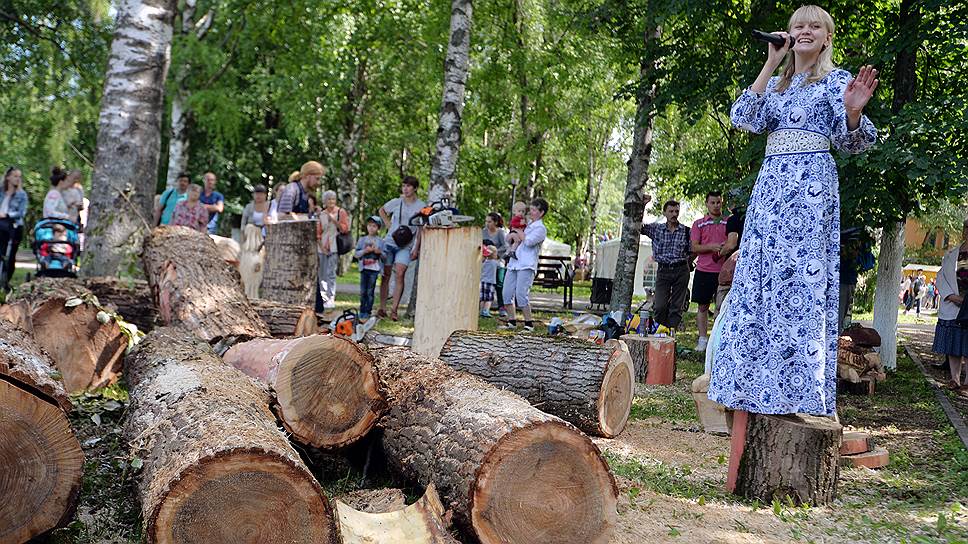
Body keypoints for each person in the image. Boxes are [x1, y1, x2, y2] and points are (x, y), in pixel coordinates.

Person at [709, 4, 878, 426]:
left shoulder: (837, 82)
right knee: (762, 281)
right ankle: (752, 386)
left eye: (813, 26)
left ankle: (796, 389)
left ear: (826, 38)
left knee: (798, 287)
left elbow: (856, 143)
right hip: (770, 192)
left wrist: (854, 112)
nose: (804, 31)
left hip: (810, 193)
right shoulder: (779, 86)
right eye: (797, 25)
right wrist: (771, 62)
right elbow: (744, 117)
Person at [640, 195, 691, 331]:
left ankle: (671, 332)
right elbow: (638, 226)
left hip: (681, 270)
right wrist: (643, 206)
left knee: (677, 305)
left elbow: (694, 249)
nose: (674, 214)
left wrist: (688, 262)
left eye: (676, 211)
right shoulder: (656, 229)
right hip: (663, 270)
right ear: (664, 213)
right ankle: (659, 330)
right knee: (660, 305)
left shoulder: (686, 231)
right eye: (671, 211)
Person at [378, 175, 425, 321]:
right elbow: (382, 210)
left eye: (409, 186)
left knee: (399, 273)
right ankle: (382, 307)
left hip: (406, 245)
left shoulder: (421, 206)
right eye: (404, 186)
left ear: (415, 188)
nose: (405, 189)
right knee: (385, 275)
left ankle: (394, 309)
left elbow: (420, 229)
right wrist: (388, 225)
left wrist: (416, 248)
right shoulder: (396, 202)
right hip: (390, 242)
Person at [500, 198, 548, 332]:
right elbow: (510, 239)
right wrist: (511, 235)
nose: (530, 212)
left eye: (534, 210)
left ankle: (528, 324)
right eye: (531, 209)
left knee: (521, 294)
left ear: (541, 213)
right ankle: (512, 321)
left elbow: (528, 242)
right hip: (514, 263)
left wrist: (518, 232)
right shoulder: (526, 224)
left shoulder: (540, 228)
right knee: (506, 293)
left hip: (527, 264)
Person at [933, 219, 968, 395]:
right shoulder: (952, 254)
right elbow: (941, 277)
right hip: (954, 305)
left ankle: (967, 383)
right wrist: (952, 296)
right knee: (955, 344)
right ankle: (955, 379)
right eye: (967, 228)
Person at [690, 191, 728, 351]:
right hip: (703, 270)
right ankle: (703, 339)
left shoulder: (728, 221)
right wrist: (711, 247)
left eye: (718, 202)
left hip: (725, 272)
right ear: (706, 203)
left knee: (723, 308)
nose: (716, 205)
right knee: (703, 306)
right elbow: (694, 246)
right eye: (712, 202)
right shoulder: (699, 223)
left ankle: (718, 341)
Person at [316, 190, 350, 311]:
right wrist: (322, 247)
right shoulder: (321, 214)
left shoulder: (341, 212)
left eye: (333, 199)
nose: (331, 201)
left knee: (331, 273)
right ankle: (324, 298)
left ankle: (331, 298)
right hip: (322, 247)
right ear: (324, 201)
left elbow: (345, 229)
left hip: (335, 246)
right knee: (322, 274)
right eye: (328, 199)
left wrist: (334, 220)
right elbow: (318, 233)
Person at [716, 193, 747, 309]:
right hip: (751, 265)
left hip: (735, 266)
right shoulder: (752, 216)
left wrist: (719, 254)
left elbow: (731, 244)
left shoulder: (733, 219)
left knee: (723, 305)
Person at [0, 167, 28, 289]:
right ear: (8, 177)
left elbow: (21, 213)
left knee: (10, 255)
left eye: (19, 177)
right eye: (15, 176)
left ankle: (6, 280)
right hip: (1, 225)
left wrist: (7, 215)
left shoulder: (21, 195)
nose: (18, 179)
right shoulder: (1, 191)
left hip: (13, 226)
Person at [355, 216, 385, 320]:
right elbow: (356, 254)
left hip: (374, 269)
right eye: (369, 225)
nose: (371, 228)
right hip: (364, 268)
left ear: (378, 228)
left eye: (374, 226)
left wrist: (379, 252)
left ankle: (368, 311)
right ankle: (362, 310)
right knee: (363, 291)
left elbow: (385, 256)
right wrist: (364, 251)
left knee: (370, 291)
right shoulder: (362, 240)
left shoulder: (380, 241)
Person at [482, 212, 508, 317]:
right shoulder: (483, 232)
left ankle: (502, 307)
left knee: (499, 284)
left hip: (498, 260)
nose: (487, 224)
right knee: (485, 283)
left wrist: (496, 252)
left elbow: (506, 247)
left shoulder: (500, 232)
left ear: (495, 222)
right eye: (486, 221)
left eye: (489, 221)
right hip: (486, 261)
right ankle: (483, 307)